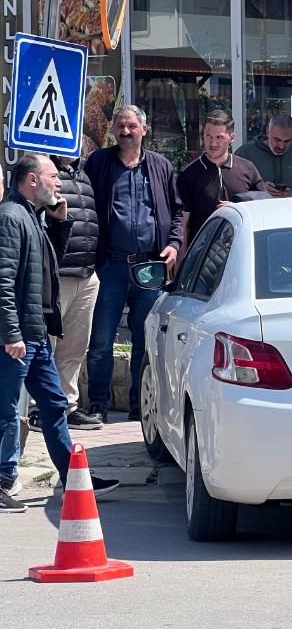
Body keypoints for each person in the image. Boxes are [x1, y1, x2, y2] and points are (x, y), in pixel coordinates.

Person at [0, 155, 118, 513]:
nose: (59, 183)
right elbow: (2, 282)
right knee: (5, 411)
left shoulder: (30, 216)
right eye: (52, 177)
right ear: (32, 180)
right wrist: (10, 333)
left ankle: (74, 477)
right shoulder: (10, 217)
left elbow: (49, 266)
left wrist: (61, 224)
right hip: (17, 339)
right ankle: (4, 479)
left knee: (53, 405)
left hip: (34, 335)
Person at [82, 105, 183, 425]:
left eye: (131, 126)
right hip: (110, 265)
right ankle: (97, 405)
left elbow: (177, 212)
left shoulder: (160, 165)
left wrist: (174, 244)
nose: (125, 132)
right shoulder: (99, 163)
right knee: (100, 341)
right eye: (120, 127)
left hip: (149, 268)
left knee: (145, 340)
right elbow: (84, 200)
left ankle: (140, 407)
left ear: (144, 129)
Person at [27, 155, 102, 432]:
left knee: (75, 347)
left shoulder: (84, 173)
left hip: (86, 274)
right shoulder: (44, 171)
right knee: (46, 345)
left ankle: (67, 406)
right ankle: (38, 408)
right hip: (58, 276)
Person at [178, 110, 269, 242]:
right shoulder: (189, 174)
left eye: (219, 137)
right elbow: (182, 224)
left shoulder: (247, 168)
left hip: (241, 248)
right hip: (203, 255)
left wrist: (238, 207)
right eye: (208, 136)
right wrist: (183, 261)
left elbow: (265, 205)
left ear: (231, 137)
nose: (213, 143)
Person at [234, 113, 292, 197]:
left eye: (287, 141)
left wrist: (291, 195)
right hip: (255, 209)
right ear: (268, 132)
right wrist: (259, 189)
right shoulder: (244, 153)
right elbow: (232, 192)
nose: (281, 146)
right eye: (277, 140)